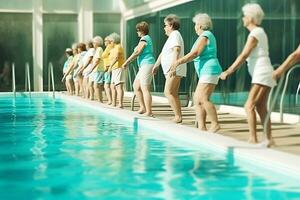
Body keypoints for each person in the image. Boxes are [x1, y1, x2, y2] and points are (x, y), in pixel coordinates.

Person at [220, 3, 276, 147]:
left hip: (262, 73)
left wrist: (228, 71)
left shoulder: (255, 33)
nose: (243, 18)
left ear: (250, 18)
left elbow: (244, 55)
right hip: (262, 73)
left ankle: (253, 139)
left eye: (244, 16)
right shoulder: (258, 32)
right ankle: (269, 139)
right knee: (261, 107)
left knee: (249, 106)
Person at [169, 13, 222, 132]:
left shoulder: (205, 35)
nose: (194, 27)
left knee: (203, 98)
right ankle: (202, 127)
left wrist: (178, 62)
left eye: (195, 25)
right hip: (206, 71)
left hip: (210, 70)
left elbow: (195, 53)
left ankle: (215, 123)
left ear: (199, 25)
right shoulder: (205, 36)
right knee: (197, 99)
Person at [152, 14, 187, 123]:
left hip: (173, 69)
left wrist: (173, 66)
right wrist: (156, 65)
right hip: (173, 69)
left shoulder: (175, 34)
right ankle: (178, 116)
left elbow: (176, 49)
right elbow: (163, 53)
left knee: (168, 92)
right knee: (173, 93)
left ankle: (178, 116)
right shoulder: (172, 37)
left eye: (165, 25)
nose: (164, 28)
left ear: (171, 25)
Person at [122, 21, 155, 116]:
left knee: (145, 88)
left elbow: (137, 52)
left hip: (147, 64)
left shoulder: (144, 39)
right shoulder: (144, 39)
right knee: (136, 86)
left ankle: (149, 111)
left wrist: (127, 62)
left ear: (141, 30)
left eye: (138, 30)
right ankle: (143, 107)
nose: (137, 32)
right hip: (143, 65)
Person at [107, 33, 126, 108]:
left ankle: (120, 104)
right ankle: (114, 103)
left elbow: (116, 58)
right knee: (112, 86)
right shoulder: (112, 49)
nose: (109, 42)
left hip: (118, 68)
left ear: (114, 40)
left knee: (118, 86)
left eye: (110, 41)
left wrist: (110, 67)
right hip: (114, 69)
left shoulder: (118, 47)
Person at [87, 36, 105, 102]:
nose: (93, 44)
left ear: (97, 43)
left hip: (99, 70)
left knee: (96, 85)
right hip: (97, 70)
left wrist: (91, 69)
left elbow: (97, 60)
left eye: (94, 42)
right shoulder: (97, 50)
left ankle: (100, 101)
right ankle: (99, 100)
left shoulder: (99, 49)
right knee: (96, 86)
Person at [102, 36, 114, 104]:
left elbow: (111, 58)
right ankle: (110, 100)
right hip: (107, 67)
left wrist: (108, 67)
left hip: (108, 68)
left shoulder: (109, 47)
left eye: (105, 40)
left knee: (107, 85)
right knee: (107, 85)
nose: (104, 42)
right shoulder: (108, 47)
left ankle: (110, 100)